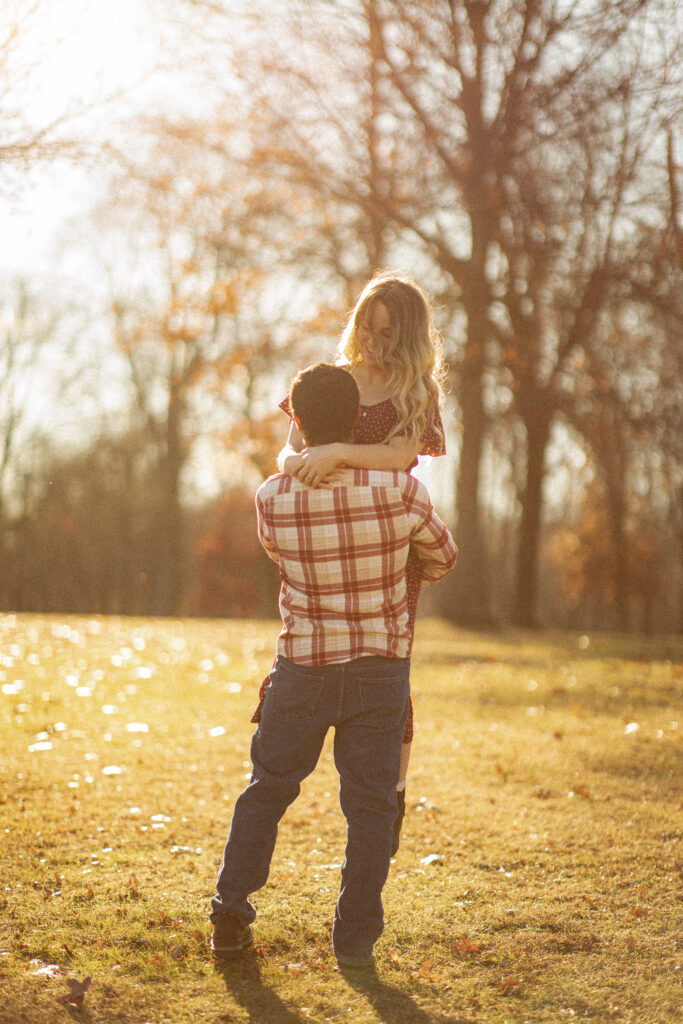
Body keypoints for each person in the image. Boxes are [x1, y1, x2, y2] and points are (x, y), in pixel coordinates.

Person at [210, 362, 457, 968]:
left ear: (295, 419)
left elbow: (277, 554)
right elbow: (445, 556)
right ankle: (353, 941)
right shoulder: (399, 491)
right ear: (355, 422)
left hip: (303, 665)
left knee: (267, 789)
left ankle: (231, 916)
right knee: (371, 806)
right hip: (379, 665)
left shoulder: (274, 497)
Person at [251, 272, 447, 854]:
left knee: (389, 662)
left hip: (389, 538)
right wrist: (295, 466)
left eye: (390, 332)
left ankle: (392, 787)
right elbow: (290, 447)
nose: (377, 340)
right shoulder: (330, 382)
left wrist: (336, 452)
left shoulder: (417, 392)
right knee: (318, 642)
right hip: (326, 529)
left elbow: (401, 454)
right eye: (369, 324)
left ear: (408, 336)